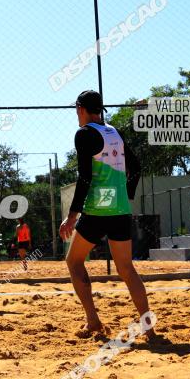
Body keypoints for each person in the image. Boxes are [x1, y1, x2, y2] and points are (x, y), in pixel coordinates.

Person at [58, 90, 153, 340]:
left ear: (81, 108)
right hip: (120, 208)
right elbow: (136, 168)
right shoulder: (114, 132)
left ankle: (93, 321)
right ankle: (148, 325)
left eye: (76, 109)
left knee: (74, 261)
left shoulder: (84, 134)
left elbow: (85, 177)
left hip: (98, 208)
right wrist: (127, 195)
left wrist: (72, 215)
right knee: (126, 268)